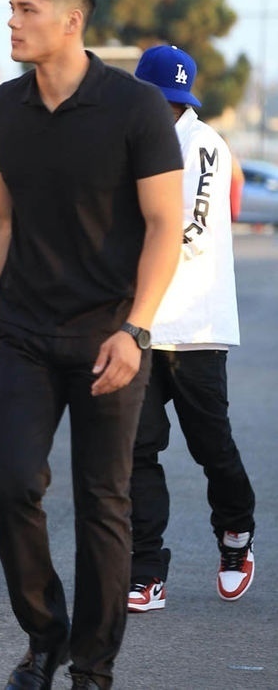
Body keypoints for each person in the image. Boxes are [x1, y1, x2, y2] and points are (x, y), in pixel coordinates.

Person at [0, 0, 184, 690]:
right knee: (8, 484)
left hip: (109, 335)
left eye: (26, 9)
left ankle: (93, 667)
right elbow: (0, 220)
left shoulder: (135, 108)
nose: (11, 21)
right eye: (11, 7)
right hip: (24, 330)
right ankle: (45, 634)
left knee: (103, 503)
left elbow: (165, 226)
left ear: (71, 20)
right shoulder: (6, 104)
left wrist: (137, 330)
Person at [127, 45, 256, 614]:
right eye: (159, 99)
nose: (166, 109)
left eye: (173, 101)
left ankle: (236, 533)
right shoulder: (126, 141)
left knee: (211, 446)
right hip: (138, 325)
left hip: (194, 326)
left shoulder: (204, 145)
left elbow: (191, 229)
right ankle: (146, 571)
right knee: (136, 448)